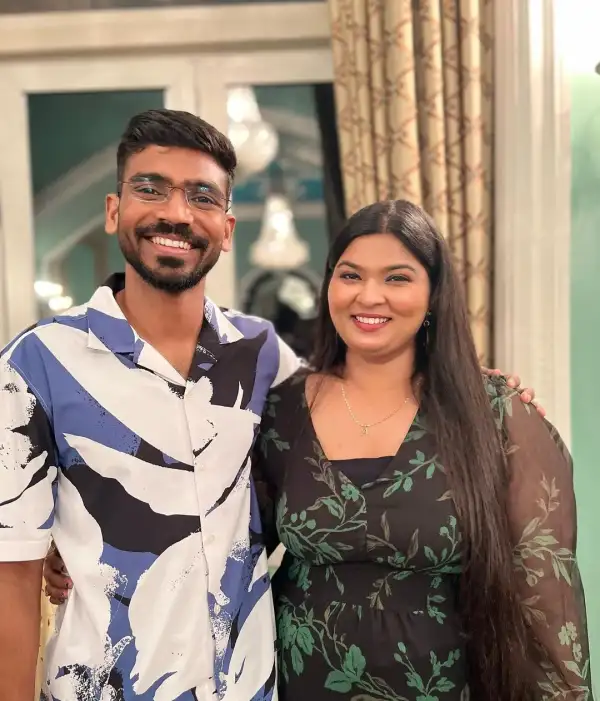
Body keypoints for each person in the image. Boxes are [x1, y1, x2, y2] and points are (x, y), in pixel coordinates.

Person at [40, 199, 576, 698]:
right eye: (350, 275)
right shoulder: (284, 407)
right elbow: (210, 519)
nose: (369, 296)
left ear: (435, 295)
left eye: (397, 277)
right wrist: (79, 543)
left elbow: (548, 606)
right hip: (297, 683)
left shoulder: (496, 416)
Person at [0, 109, 301, 701]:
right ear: (115, 210)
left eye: (201, 197)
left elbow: (359, 408)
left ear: (227, 228)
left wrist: (471, 385)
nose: (177, 213)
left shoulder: (263, 353)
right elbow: (11, 575)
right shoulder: (37, 363)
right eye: (151, 189)